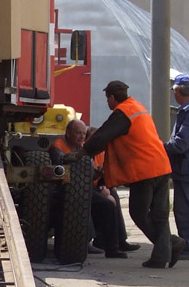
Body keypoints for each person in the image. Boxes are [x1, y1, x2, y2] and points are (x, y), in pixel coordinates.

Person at [72, 80, 186, 269]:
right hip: (161, 166)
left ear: (112, 97)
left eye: (107, 98)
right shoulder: (137, 107)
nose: (107, 103)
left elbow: (101, 137)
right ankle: (161, 256)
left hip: (144, 171)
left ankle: (171, 243)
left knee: (138, 212)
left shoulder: (122, 113)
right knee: (160, 215)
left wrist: (80, 154)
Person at [49, 119, 129, 259]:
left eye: (83, 133)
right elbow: (62, 171)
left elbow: (88, 172)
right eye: (77, 133)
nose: (81, 136)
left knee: (108, 203)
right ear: (68, 133)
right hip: (64, 190)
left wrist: (98, 174)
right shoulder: (58, 147)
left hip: (83, 187)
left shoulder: (81, 149)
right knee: (89, 203)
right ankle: (86, 241)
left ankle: (113, 247)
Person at [85, 125, 139, 256]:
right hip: (87, 189)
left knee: (113, 193)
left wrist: (104, 186)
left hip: (96, 187)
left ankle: (120, 240)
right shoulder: (83, 154)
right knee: (107, 203)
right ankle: (111, 247)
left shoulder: (101, 154)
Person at [163, 73, 189, 256]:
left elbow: (181, 144)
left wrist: (157, 146)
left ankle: (186, 246)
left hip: (185, 170)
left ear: (179, 91)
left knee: (183, 211)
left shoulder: (187, 112)